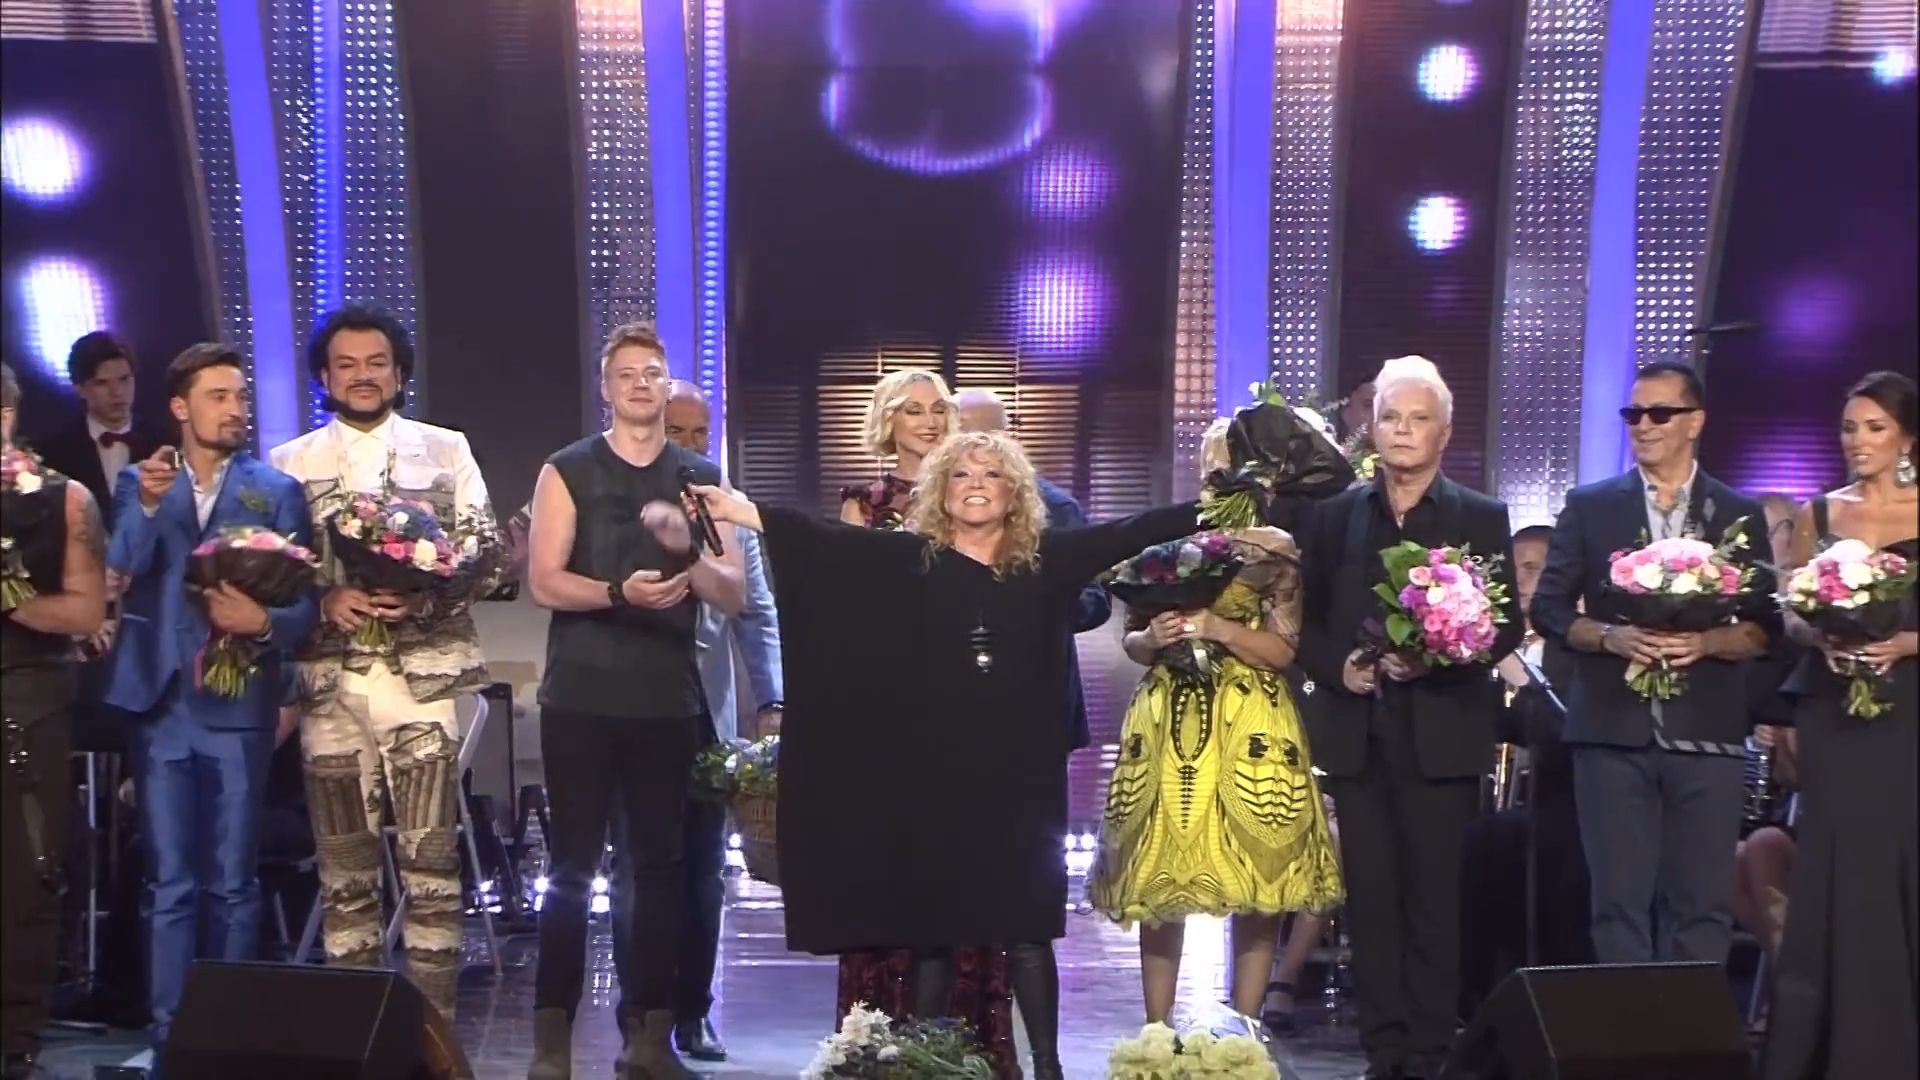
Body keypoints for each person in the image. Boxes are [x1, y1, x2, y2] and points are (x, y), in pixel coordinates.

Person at [687, 429, 1208, 1080]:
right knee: (933, 923)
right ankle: (925, 1062)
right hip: (934, 770)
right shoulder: (911, 560)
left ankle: (1047, 1067)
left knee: (1025, 924)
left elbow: (1129, 532)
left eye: (991, 474)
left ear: (1015, 493)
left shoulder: (1048, 560)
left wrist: (1214, 506)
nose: (976, 485)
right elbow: (823, 541)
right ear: (941, 491)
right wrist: (736, 510)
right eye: (962, 474)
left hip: (1020, 773)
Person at [267, 305, 506, 1017]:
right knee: (344, 873)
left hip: (422, 681)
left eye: (377, 363)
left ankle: (431, 1038)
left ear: (399, 372)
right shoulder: (288, 462)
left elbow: (488, 554)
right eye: (346, 365)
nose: (363, 376)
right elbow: (271, 571)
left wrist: (424, 600)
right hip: (329, 686)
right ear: (324, 376)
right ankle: (355, 1037)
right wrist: (324, 597)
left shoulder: (445, 449)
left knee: (432, 867)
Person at [524, 323, 744, 1080]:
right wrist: (619, 593)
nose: (641, 384)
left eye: (652, 372)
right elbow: (544, 581)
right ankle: (552, 1039)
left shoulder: (700, 476)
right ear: (606, 388)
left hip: (666, 701)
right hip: (581, 696)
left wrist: (686, 551)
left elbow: (733, 591)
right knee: (571, 868)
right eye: (627, 374)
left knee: (661, 870)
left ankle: (648, 1038)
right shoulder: (567, 469)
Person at [1295, 356, 1523, 1080]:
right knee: (1371, 904)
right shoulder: (1334, 518)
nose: (1401, 430)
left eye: (1418, 419)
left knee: (1435, 903)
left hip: (1443, 738)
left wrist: (1438, 657)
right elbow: (1304, 622)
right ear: (1371, 427)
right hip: (1357, 738)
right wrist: (1340, 666)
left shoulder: (1479, 516)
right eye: (1390, 417)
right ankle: (1383, 1051)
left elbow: (1506, 626)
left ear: (1443, 433)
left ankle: (1429, 1051)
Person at [1089, 416, 1342, 1027]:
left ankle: (1245, 1028)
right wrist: (1154, 637)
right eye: (1211, 463)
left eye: (1230, 462)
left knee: (1260, 879)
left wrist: (1218, 627)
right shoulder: (1171, 542)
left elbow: (1283, 650)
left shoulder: (1277, 549)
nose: (1219, 473)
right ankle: (1156, 1031)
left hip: (1250, 717)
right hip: (1171, 717)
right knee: (1160, 876)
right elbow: (1133, 644)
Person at [102, 344, 317, 1061]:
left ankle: (227, 1040)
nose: (235, 409)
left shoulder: (274, 490)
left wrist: (262, 623)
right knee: (168, 881)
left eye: (240, 396)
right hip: (161, 701)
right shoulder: (139, 480)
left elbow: (305, 607)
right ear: (180, 407)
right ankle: (170, 1039)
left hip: (237, 703)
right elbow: (122, 562)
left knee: (231, 881)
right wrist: (149, 504)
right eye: (219, 397)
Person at [1531, 360, 1776, 970]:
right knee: (1618, 906)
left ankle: (1692, 1030)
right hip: (1611, 732)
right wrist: (1610, 637)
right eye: (1633, 414)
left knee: (1701, 906)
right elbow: (1549, 609)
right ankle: (1627, 1027)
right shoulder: (1591, 506)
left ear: (1695, 422)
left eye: (1659, 413)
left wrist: (1708, 643)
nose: (1643, 425)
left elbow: (1765, 628)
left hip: (1708, 733)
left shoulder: (1736, 512)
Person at [836, 372, 1019, 1071]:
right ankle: (877, 1047)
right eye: (912, 411)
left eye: (938, 408)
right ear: (888, 423)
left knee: (967, 884)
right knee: (892, 881)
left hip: (973, 715)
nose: (928, 420)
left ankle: (966, 1048)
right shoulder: (864, 503)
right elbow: (847, 605)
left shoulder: (980, 499)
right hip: (887, 713)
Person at [607, 379, 782, 1067]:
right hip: (627, 712)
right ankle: (637, 1016)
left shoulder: (725, 509)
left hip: (707, 716)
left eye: (698, 433)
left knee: (704, 872)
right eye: (674, 431)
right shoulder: (611, 497)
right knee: (635, 870)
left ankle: (694, 1012)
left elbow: (757, 610)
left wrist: (772, 702)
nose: (687, 445)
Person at [1764, 370, 1918, 1080]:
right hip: (1832, 710)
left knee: (1899, 864)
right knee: (1835, 868)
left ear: (1907, 437)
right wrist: (1820, 632)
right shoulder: (1819, 513)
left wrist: (1906, 642)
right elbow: (1791, 612)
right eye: (1850, 428)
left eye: (1875, 427)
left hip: (1907, 712)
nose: (1858, 440)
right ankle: (1823, 1049)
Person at [1, 361, 108, 1080]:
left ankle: (16, 1041)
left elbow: (85, 611)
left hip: (28, 704)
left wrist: (10, 599)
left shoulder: (65, 500)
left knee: (25, 877)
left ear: (8, 417)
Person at [955, 387, 1112, 747]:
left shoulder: (1055, 508)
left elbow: (1095, 600)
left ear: (1006, 439)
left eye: (977, 435)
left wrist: (1032, 601)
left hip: (1035, 704)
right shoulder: (934, 507)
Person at [30, 332, 171, 512]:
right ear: (80, 389)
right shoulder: (54, 454)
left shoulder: (165, 442)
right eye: (102, 383)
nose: (117, 392)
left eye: (124, 379)